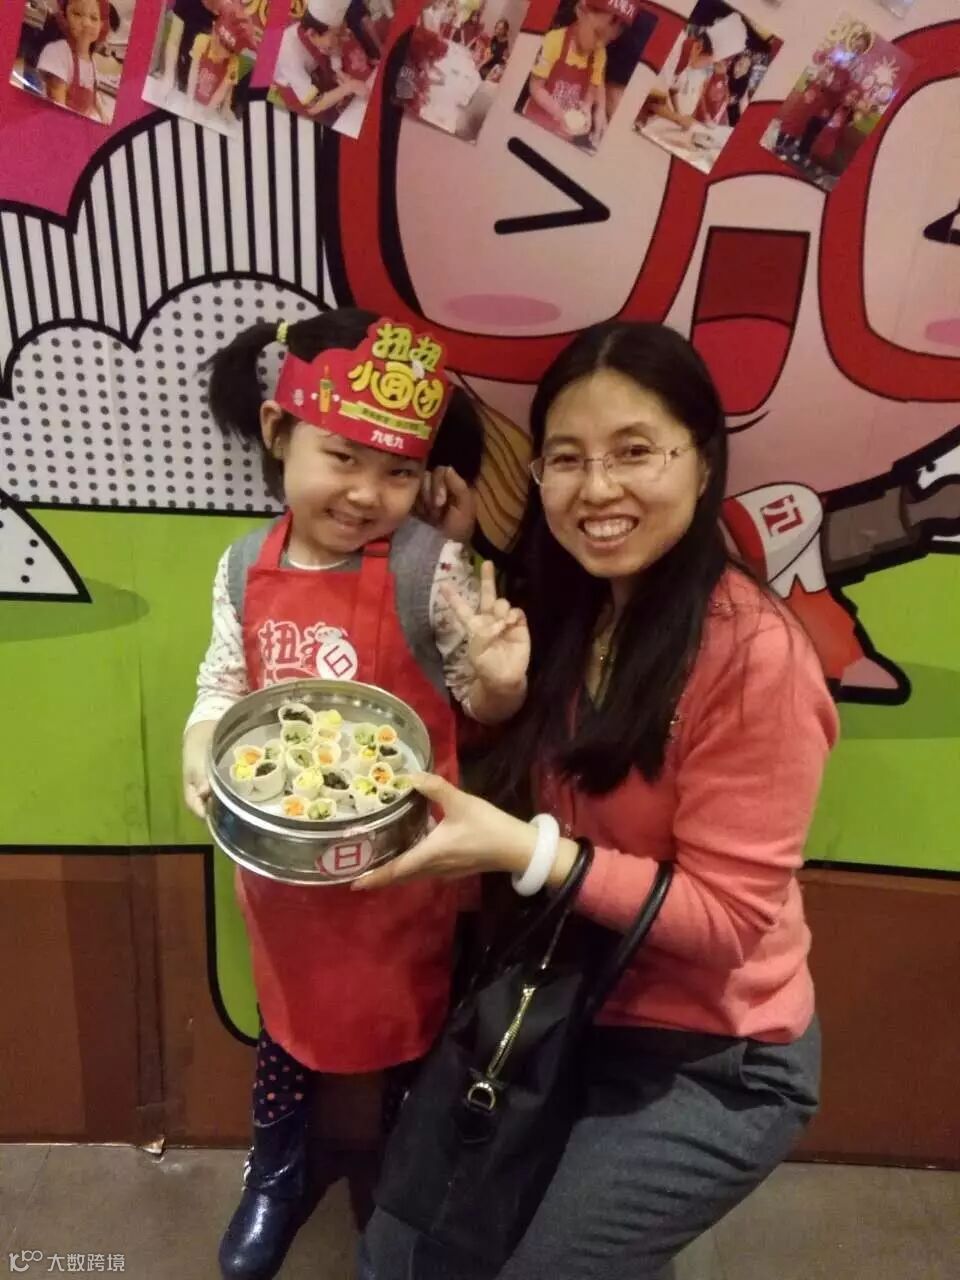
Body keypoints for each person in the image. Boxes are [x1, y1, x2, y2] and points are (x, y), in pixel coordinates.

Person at [359, 320, 838, 1280]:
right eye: (567, 459)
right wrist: (495, 704)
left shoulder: (756, 658)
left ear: (703, 463)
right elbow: (533, 785)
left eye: (634, 452)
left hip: (711, 1052)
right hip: (560, 998)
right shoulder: (571, 604)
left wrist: (524, 853)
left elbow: (727, 922)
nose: (598, 489)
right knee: (399, 1253)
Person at [181, 308, 530, 1279]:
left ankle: (403, 1182)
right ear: (278, 432)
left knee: (419, 1037)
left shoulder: (432, 564)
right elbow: (222, 684)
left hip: (410, 872)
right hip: (286, 875)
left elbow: (478, 703)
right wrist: (202, 744)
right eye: (342, 457)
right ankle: (276, 1170)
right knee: (286, 1029)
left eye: (398, 471)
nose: (368, 493)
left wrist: (500, 682)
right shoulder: (242, 565)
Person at [522, 0, 638, 149]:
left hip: (564, 136)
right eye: (597, 34)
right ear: (581, 11)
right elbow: (535, 87)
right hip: (533, 124)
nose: (600, 45)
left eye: (608, 40)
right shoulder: (554, 41)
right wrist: (560, 114)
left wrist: (587, 107)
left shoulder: (599, 54)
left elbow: (593, 87)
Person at [272, 0, 367, 121]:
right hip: (293, 86)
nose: (340, 40)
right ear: (312, 34)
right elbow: (313, 105)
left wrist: (339, 73)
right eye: (336, 35)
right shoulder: (288, 52)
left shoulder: (319, 37)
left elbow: (333, 49)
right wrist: (350, 87)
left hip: (317, 70)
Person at [36, 0, 108, 120]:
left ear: (101, 26)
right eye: (77, 14)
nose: (86, 23)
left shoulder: (92, 62)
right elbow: (58, 104)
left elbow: (94, 93)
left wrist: (103, 115)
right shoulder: (57, 51)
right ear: (64, 17)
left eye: (94, 18)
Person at [186, 6, 258, 119]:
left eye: (227, 49)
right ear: (214, 29)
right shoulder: (202, 41)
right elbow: (193, 72)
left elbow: (222, 91)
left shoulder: (233, 63)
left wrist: (206, 114)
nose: (220, 50)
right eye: (219, 42)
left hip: (213, 107)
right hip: (191, 96)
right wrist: (189, 101)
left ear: (233, 53)